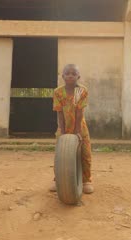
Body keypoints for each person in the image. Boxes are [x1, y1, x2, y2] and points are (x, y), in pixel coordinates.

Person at [50, 64, 94, 194]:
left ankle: (86, 180)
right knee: (60, 154)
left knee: (85, 152)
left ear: (78, 76)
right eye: (67, 73)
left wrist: (77, 132)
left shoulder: (81, 91)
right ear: (62, 76)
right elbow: (59, 112)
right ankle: (57, 179)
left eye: (73, 74)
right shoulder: (58, 92)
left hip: (80, 126)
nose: (70, 76)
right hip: (63, 125)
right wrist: (63, 132)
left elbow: (79, 112)